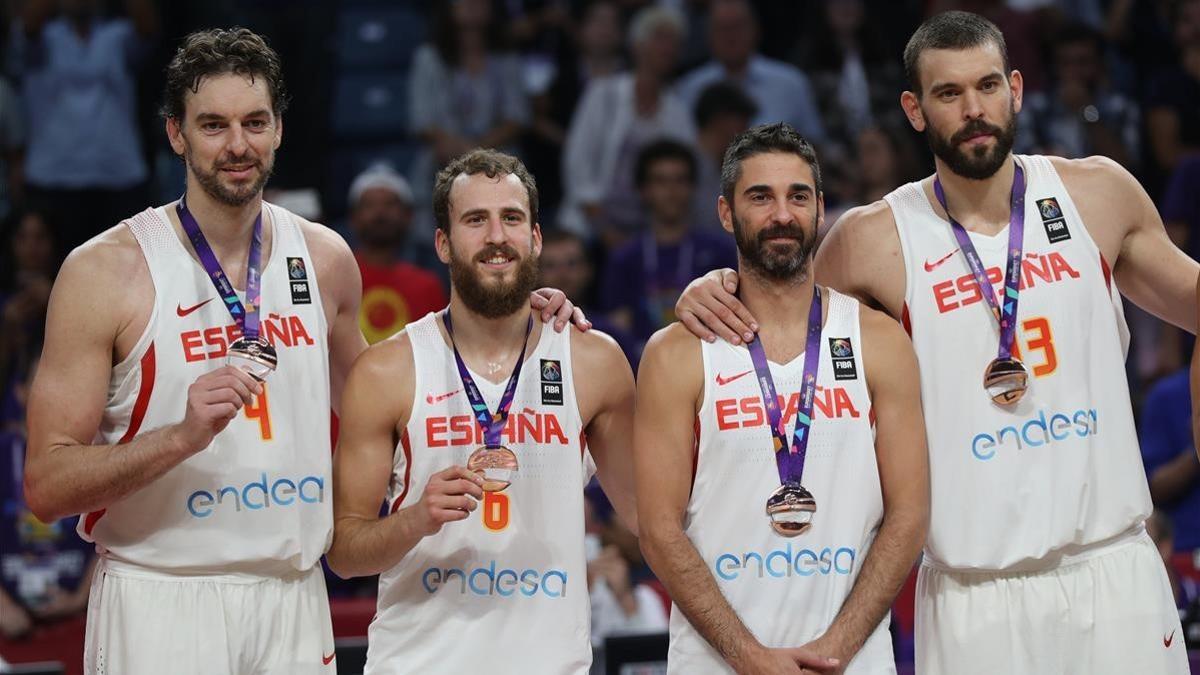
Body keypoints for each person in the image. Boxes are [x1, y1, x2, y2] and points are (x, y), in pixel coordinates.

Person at [673, 11, 1197, 674]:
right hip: (971, 592)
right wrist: (710, 286)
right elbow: (775, 308)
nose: (973, 109)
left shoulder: (1097, 194)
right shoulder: (873, 241)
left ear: (1015, 88)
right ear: (915, 109)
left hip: (1114, 568)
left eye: (985, 86)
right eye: (948, 94)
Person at [19, 27, 368, 674]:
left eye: (254, 122)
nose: (238, 145)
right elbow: (46, 483)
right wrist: (179, 436)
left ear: (279, 129)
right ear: (176, 133)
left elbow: (383, 416)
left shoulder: (326, 260)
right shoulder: (106, 271)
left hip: (292, 592)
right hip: (160, 594)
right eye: (213, 125)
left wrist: (513, 325)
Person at [326, 149, 637, 674]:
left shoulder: (595, 361)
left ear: (535, 237)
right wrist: (414, 520)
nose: (496, 236)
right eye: (476, 220)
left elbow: (650, 522)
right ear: (443, 244)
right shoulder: (386, 372)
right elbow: (345, 550)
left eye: (511, 218)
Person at [636, 123, 928, 674]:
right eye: (760, 197)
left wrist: (836, 648)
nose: (781, 215)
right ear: (726, 213)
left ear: (820, 207)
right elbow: (657, 528)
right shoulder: (676, 353)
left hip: (851, 662)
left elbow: (909, 515)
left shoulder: (881, 340)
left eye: (798, 196)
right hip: (716, 664)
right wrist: (748, 657)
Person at [600, 139, 737, 349]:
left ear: (692, 188)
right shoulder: (625, 258)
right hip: (642, 365)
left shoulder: (721, 251)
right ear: (643, 190)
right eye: (661, 181)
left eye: (679, 180)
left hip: (709, 359)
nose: (671, 191)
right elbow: (619, 330)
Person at [674, 0, 824, 143]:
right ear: (708, 35)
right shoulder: (689, 88)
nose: (730, 36)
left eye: (737, 26)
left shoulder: (791, 84)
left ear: (755, 29)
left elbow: (814, 144)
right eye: (722, 28)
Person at [347, 163, 447, 344]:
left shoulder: (427, 285)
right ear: (353, 217)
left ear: (408, 216)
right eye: (369, 205)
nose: (380, 213)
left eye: (390, 204)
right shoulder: (337, 279)